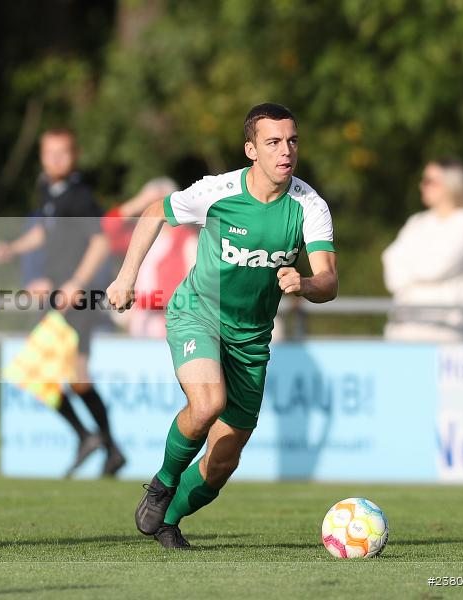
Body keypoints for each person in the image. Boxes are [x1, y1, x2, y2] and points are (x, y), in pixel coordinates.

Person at [107, 103, 338, 548]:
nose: (285, 150)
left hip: (251, 337)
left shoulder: (309, 205)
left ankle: (168, 519)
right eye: (273, 142)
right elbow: (155, 210)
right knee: (208, 401)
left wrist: (306, 282)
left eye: (292, 140)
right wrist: (126, 277)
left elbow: (329, 282)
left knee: (224, 458)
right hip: (198, 313)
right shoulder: (219, 191)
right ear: (251, 149)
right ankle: (161, 484)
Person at [0, 127, 126, 477]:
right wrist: (14, 248)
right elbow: (42, 233)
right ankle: (105, 446)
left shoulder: (80, 197)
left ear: (74, 155)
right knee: (53, 374)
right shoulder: (49, 191)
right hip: (60, 298)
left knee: (55, 375)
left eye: (62, 153)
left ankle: (96, 441)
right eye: (49, 152)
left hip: (76, 299)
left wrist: (76, 284)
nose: (55, 159)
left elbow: (99, 243)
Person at [382, 159, 463, 341]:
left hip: (445, 332)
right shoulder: (417, 221)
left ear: (452, 184)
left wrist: (407, 264)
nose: (422, 185)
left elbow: (434, 267)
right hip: (401, 328)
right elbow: (390, 261)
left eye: (430, 181)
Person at [101, 177, 197, 338]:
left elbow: (193, 289)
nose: (157, 212)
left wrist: (144, 302)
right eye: (151, 206)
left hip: (171, 324)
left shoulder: (188, 240)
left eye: (161, 205)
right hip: (137, 324)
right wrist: (140, 202)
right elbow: (107, 228)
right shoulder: (135, 237)